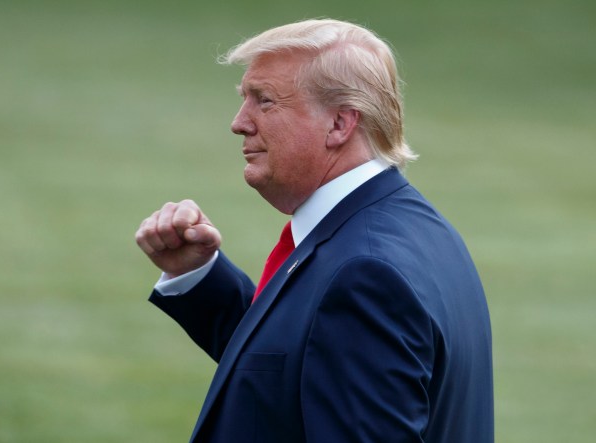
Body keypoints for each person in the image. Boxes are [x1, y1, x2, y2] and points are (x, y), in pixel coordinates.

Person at [135, 19, 493, 443]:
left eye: (264, 101)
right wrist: (200, 277)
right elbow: (301, 371)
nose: (239, 122)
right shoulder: (414, 229)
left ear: (340, 124)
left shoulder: (365, 276)